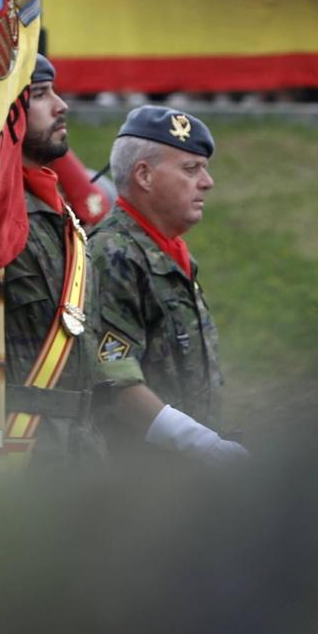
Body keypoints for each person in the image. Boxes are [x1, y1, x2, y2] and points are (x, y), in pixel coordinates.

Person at [0, 63, 248, 466]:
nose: (61, 105)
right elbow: (114, 377)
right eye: (40, 94)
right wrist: (197, 442)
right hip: (9, 452)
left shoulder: (63, 222)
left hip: (72, 455)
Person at [88, 106, 228, 438]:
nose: (207, 182)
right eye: (191, 169)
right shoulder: (113, 252)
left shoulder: (166, 253)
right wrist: (194, 442)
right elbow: (114, 378)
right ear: (144, 175)